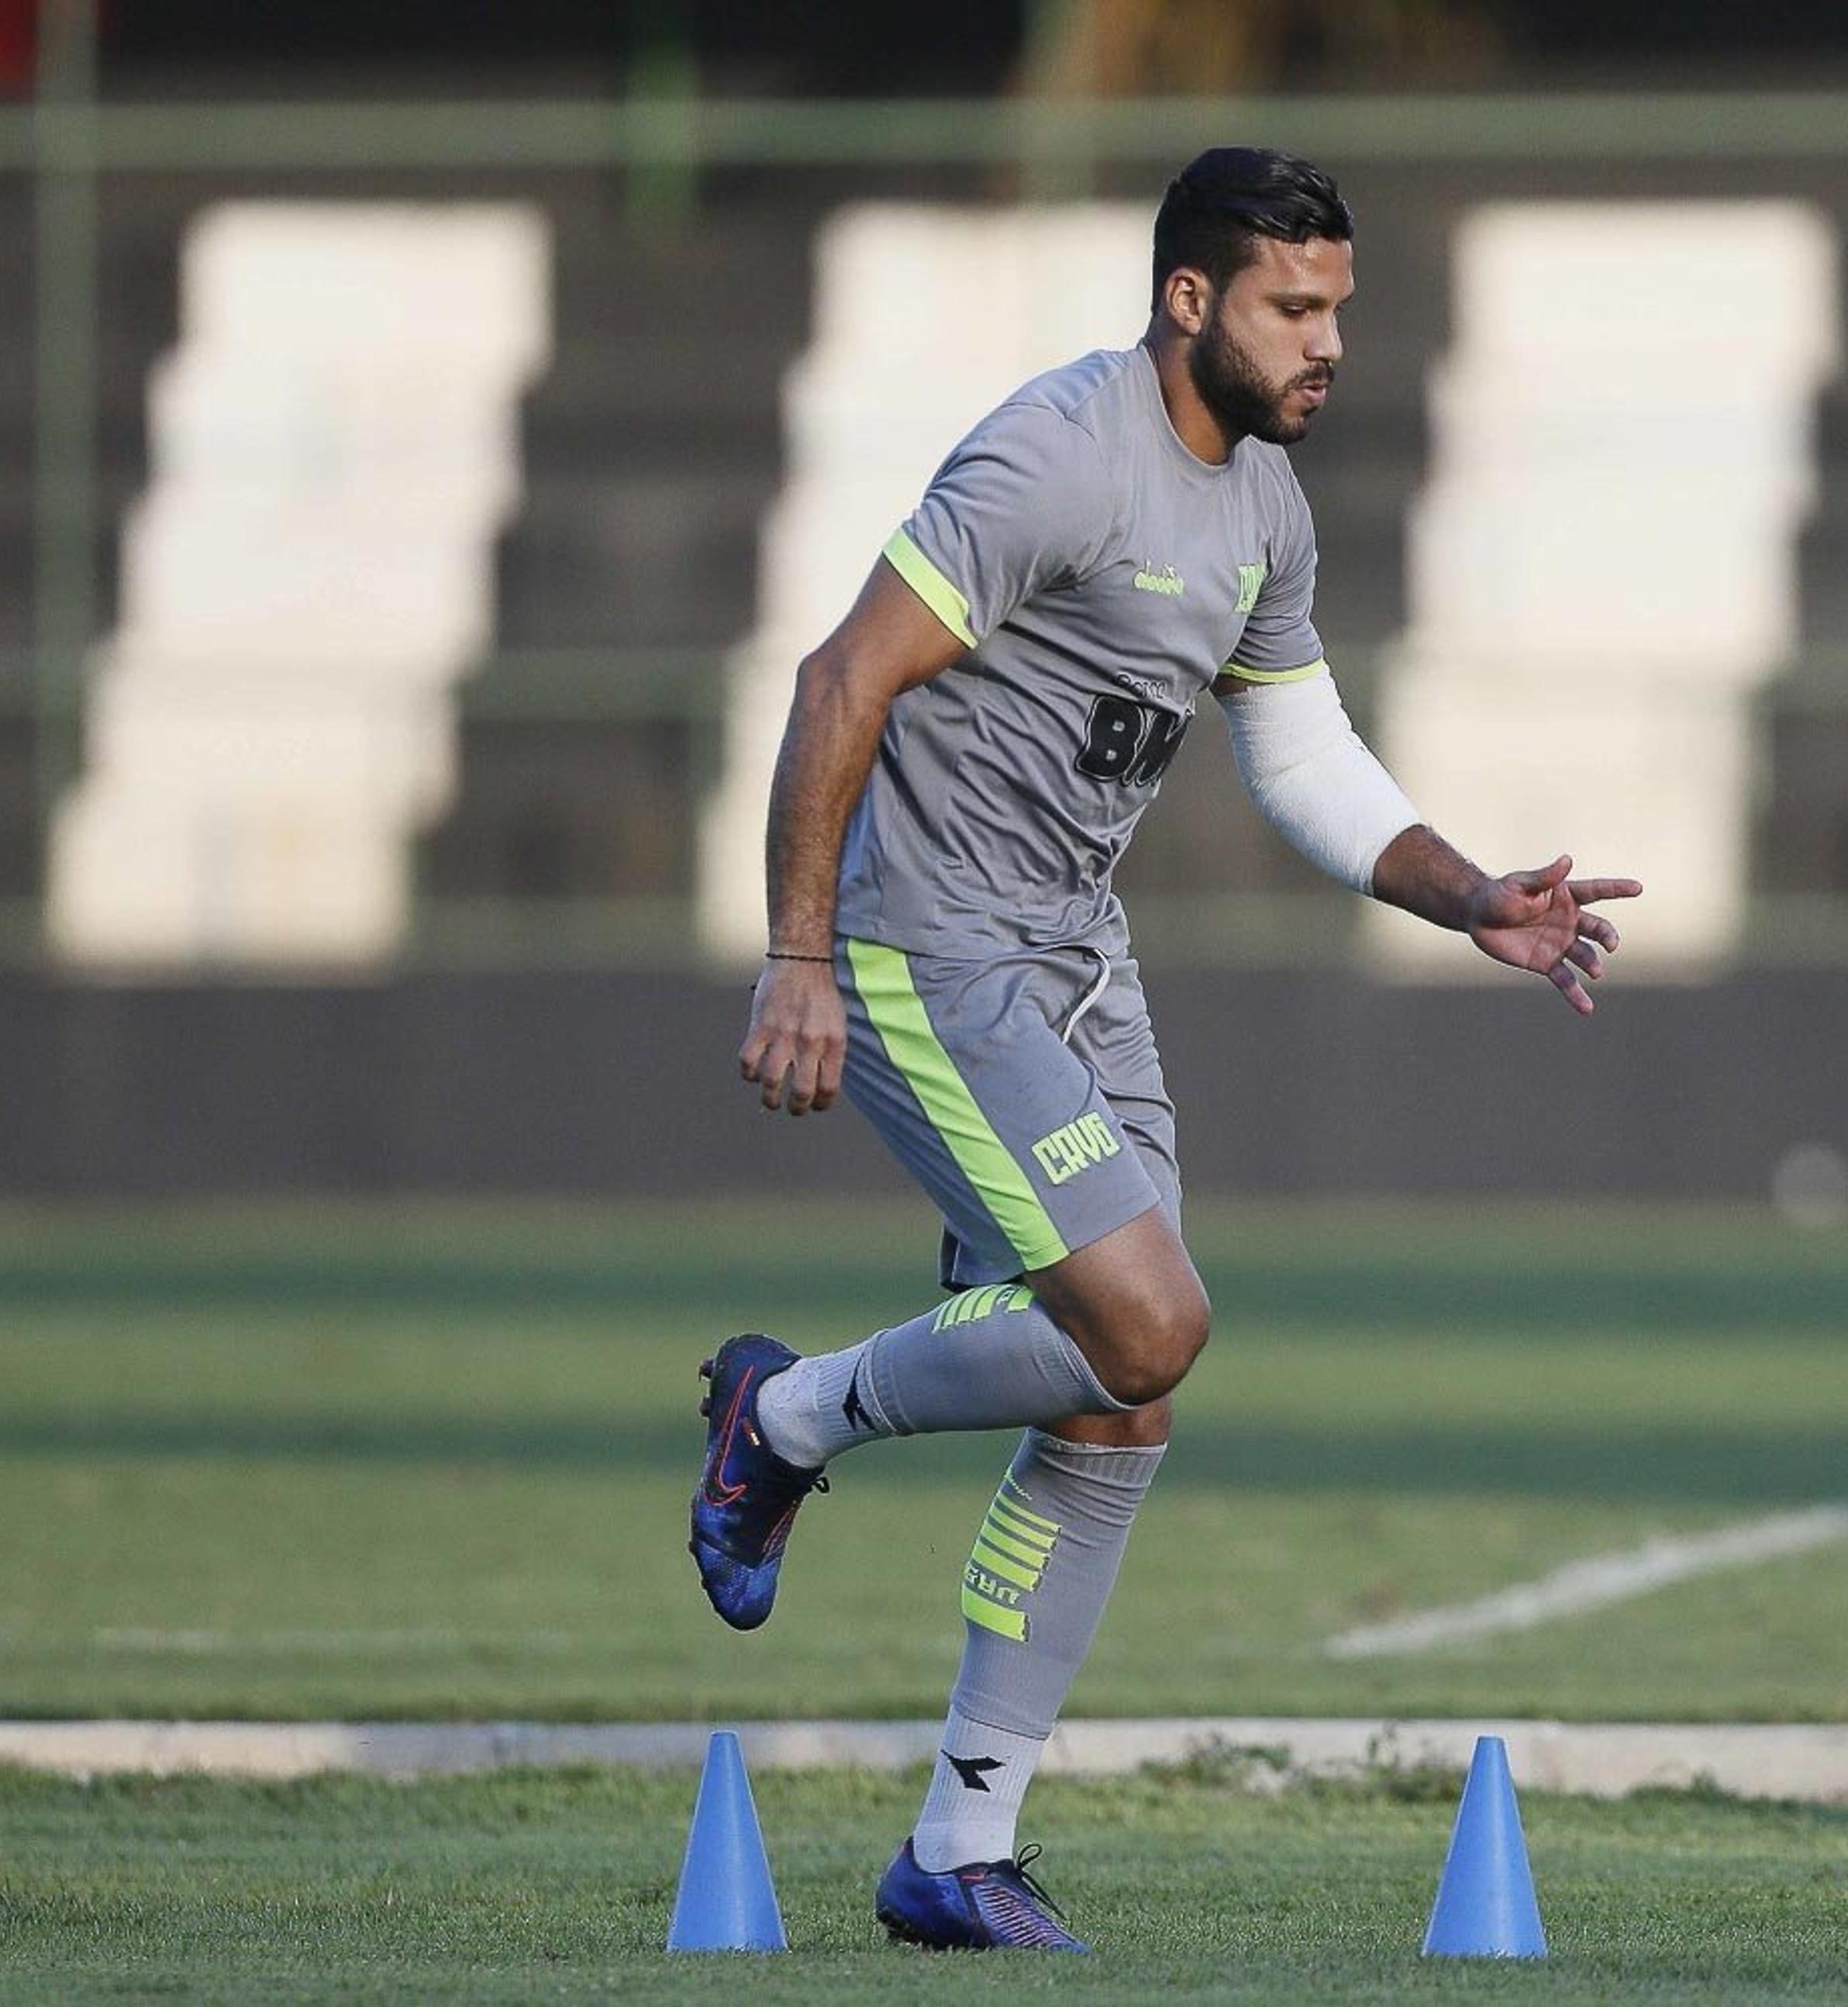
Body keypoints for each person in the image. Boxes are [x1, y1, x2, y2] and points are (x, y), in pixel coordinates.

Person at [695, 145, 1639, 1954]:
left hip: (1076, 965)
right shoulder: (1057, 453)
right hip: (930, 949)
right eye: (1297, 305)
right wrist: (799, 953)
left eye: (1341, 306)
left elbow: (1299, 753)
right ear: (1190, 299)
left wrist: (1469, 898)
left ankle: (955, 1846)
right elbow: (840, 682)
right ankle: (786, 1410)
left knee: (1121, 1388)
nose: (1329, 341)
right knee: (1150, 1316)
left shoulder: (1265, 509)